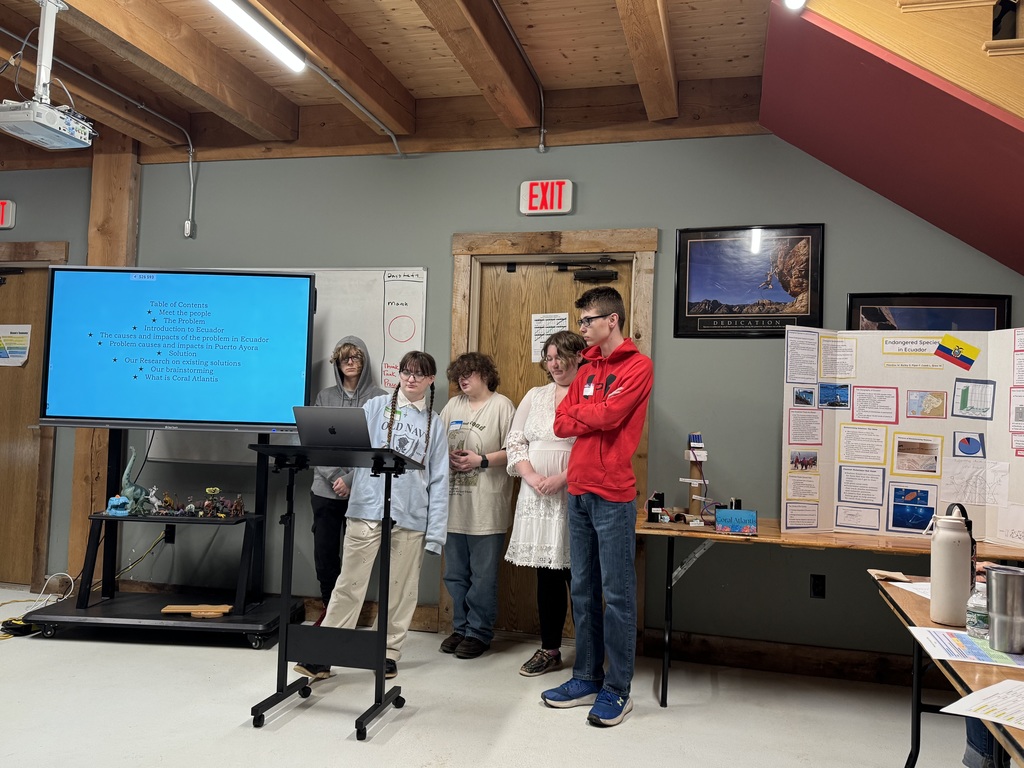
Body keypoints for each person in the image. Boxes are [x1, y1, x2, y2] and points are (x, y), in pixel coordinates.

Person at [294, 351, 449, 681]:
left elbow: (439, 481)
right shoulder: (376, 407)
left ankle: (389, 651)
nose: (410, 379)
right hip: (366, 509)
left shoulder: (435, 425)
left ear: (430, 380)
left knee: (400, 590)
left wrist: (436, 533)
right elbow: (355, 451)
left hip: (409, 516)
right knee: (349, 584)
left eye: (419, 374)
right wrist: (348, 479)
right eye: (406, 372)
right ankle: (323, 653)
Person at [541, 286, 653, 728]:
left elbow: (609, 418)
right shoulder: (585, 368)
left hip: (613, 495)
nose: (582, 328)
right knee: (584, 591)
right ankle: (586, 676)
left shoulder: (638, 366)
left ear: (612, 321)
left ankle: (617, 689)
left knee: (619, 597)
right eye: (581, 320)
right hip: (579, 491)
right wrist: (595, 409)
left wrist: (592, 412)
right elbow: (560, 420)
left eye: (587, 321)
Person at [505, 330, 587, 677]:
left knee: (580, 578)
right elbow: (515, 440)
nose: (554, 364)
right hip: (537, 496)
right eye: (549, 357)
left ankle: (588, 654)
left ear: (579, 357)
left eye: (561, 357)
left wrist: (562, 478)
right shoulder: (535, 395)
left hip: (574, 494)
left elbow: (594, 445)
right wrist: (532, 476)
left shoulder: (590, 393)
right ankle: (549, 649)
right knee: (547, 577)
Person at [438, 352, 516, 660]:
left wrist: (479, 460)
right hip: (454, 505)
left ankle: (479, 631)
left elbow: (515, 451)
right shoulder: (452, 406)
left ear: (485, 374)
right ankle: (460, 627)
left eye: (468, 374)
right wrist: (449, 458)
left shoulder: (502, 406)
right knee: (455, 574)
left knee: (483, 575)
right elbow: (436, 444)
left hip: (486, 506)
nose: (462, 380)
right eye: (459, 376)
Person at [308, 336, 386, 622]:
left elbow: (381, 444)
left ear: (364, 362)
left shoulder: (381, 398)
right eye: (345, 358)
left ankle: (348, 614)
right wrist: (337, 477)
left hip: (364, 490)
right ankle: (330, 611)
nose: (350, 363)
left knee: (357, 558)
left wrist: (352, 479)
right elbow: (315, 443)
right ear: (337, 364)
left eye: (356, 357)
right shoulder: (324, 397)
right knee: (325, 556)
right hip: (325, 491)